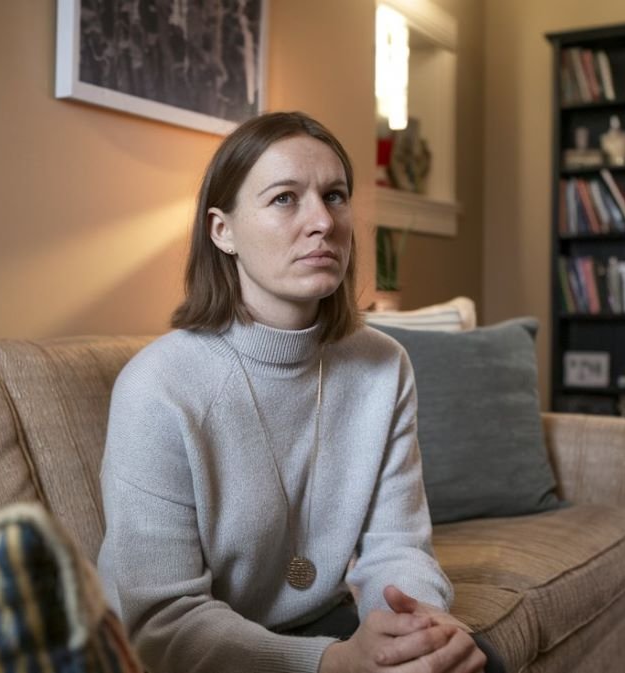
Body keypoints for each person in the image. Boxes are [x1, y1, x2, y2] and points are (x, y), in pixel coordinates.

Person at [98, 111, 501, 673]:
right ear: (223, 231)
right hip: (191, 650)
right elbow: (163, 625)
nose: (323, 222)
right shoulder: (157, 387)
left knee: (473, 661)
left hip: (321, 619)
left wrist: (415, 624)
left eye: (335, 196)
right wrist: (333, 663)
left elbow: (398, 545)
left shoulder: (384, 365)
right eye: (285, 198)